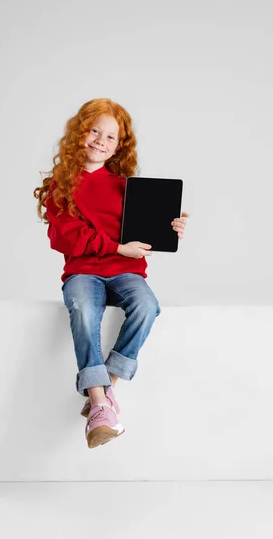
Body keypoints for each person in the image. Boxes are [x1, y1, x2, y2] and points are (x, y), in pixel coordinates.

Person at [34, 98, 189, 449]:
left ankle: (104, 395)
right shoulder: (62, 186)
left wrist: (170, 228)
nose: (101, 141)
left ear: (119, 146)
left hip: (126, 273)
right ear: (79, 133)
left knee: (147, 305)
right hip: (83, 273)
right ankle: (101, 404)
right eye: (94, 131)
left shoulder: (126, 188)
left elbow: (143, 235)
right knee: (85, 310)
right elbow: (65, 237)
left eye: (110, 137)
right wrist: (117, 247)